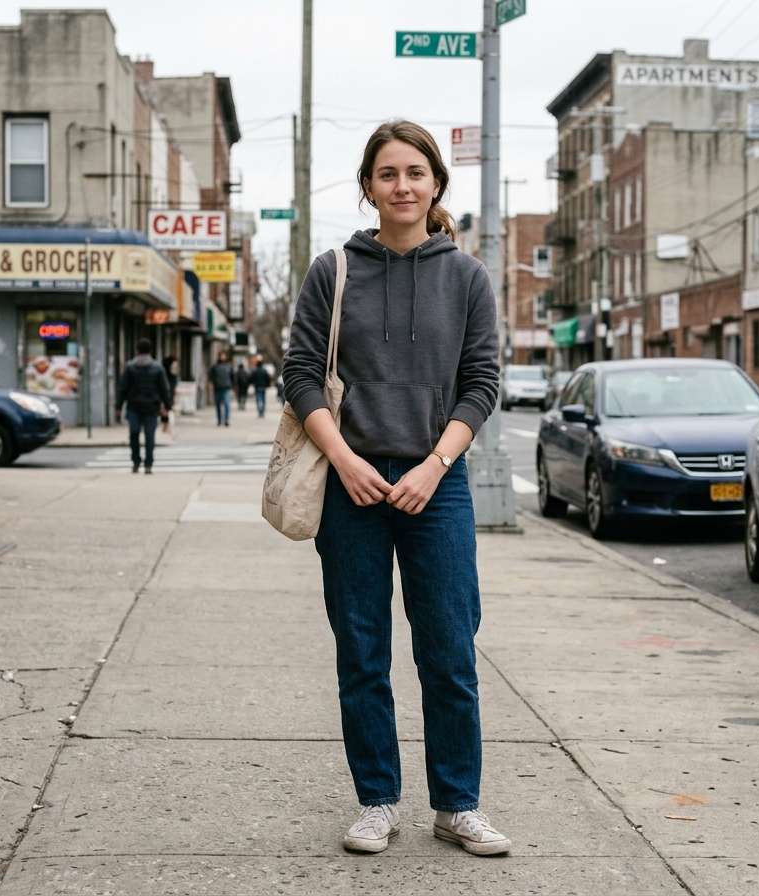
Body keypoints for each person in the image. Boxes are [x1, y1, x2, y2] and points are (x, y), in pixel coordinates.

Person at [281, 120, 508, 857]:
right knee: (363, 649)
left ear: (436, 183)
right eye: (388, 174)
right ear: (369, 187)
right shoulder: (332, 271)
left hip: (435, 486)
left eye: (416, 172)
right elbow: (300, 377)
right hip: (353, 485)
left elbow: (481, 385)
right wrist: (345, 460)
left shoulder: (467, 277)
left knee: (449, 649)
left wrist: (434, 466)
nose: (403, 186)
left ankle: (457, 805)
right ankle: (378, 800)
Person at [116, 337, 171, 474]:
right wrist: (167, 406)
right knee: (149, 436)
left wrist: (118, 406)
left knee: (134, 435)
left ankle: (136, 461)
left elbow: (123, 388)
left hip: (134, 407)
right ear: (150, 350)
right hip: (151, 407)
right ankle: (148, 464)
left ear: (137, 350)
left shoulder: (130, 366)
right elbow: (164, 389)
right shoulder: (157, 367)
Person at [208, 351, 234, 427]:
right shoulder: (215, 366)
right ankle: (219, 420)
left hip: (226, 388)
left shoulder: (229, 366)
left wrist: (233, 387)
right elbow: (211, 376)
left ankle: (226, 420)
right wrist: (211, 384)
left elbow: (232, 377)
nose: (222, 357)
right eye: (221, 356)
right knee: (218, 405)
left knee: (226, 404)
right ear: (219, 357)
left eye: (224, 356)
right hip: (217, 388)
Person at [161, 357, 180, 436]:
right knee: (167, 409)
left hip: (169, 392)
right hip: (167, 392)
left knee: (167, 408)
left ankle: (166, 426)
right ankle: (166, 426)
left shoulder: (171, 374)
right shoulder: (165, 373)